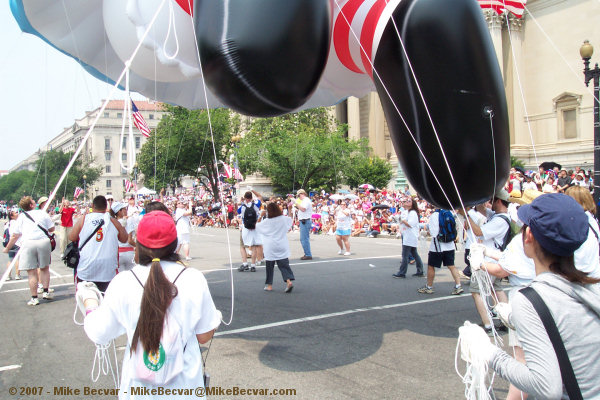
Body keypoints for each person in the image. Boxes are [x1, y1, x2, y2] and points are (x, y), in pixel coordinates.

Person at [462, 194, 600, 399]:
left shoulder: (530, 299)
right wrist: (513, 318)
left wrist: (488, 353)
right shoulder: (588, 288)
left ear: (529, 237)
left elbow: (546, 387)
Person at [81, 211, 222, 398]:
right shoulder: (193, 278)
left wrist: (90, 302)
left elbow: (99, 333)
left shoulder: (123, 282)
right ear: (175, 245)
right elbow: (204, 335)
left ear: (138, 245)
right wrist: (216, 317)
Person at [466, 189, 510, 333]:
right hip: (496, 259)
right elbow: (481, 209)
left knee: (476, 291)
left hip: (487, 260)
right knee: (496, 288)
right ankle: (507, 321)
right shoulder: (501, 216)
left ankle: (488, 325)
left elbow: (479, 232)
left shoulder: (498, 220)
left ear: (498, 201)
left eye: (492, 201)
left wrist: (464, 214)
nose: (489, 204)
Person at [69, 196, 128, 292]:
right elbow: (124, 239)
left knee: (87, 300)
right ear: (106, 207)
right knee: (106, 300)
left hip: (87, 267)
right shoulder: (113, 221)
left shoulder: (84, 219)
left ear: (92, 206)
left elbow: (71, 237)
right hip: (107, 269)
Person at [3, 196, 55, 305]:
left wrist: (8, 247)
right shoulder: (42, 213)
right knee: (44, 268)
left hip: (28, 243)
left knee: (31, 272)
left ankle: (34, 297)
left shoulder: (21, 217)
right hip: (43, 242)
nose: (35, 202)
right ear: (31, 205)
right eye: (33, 201)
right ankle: (46, 292)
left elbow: (15, 235)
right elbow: (51, 229)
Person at [417, 208, 463, 295]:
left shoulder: (435, 215)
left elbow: (434, 233)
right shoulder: (448, 213)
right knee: (451, 266)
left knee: (431, 266)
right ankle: (458, 286)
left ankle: (429, 287)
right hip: (450, 245)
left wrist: (426, 233)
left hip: (437, 246)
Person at [255, 201, 295, 292]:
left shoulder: (267, 221)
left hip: (270, 245)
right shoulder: (283, 219)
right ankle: (288, 281)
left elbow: (257, 226)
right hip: (282, 244)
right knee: (284, 265)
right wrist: (289, 209)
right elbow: (290, 219)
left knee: (270, 266)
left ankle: (269, 285)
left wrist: (261, 216)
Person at [393, 198, 424, 278]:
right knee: (414, 253)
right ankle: (420, 270)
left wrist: (403, 220)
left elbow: (410, 224)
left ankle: (402, 272)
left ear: (412, 204)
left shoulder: (413, 213)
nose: (406, 202)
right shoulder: (408, 212)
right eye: (406, 201)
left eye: (409, 201)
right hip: (408, 235)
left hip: (410, 236)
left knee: (405, 255)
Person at [237, 190, 263, 271]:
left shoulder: (242, 206)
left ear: (245, 198)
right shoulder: (256, 205)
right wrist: (253, 190)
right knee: (254, 246)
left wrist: (241, 201)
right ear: (251, 198)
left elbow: (237, 212)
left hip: (246, 228)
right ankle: (253, 265)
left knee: (242, 246)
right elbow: (260, 197)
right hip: (254, 227)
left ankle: (245, 263)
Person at [111, 202, 136, 272]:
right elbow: (130, 240)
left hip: (118, 253)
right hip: (129, 253)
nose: (126, 210)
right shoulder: (129, 221)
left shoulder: (113, 223)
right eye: (124, 209)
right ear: (119, 211)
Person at [3, 210, 22, 280]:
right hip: (16, 242)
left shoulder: (7, 223)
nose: (17, 213)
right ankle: (17, 275)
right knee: (17, 259)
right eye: (16, 213)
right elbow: (17, 233)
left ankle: (8, 275)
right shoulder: (16, 223)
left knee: (10, 259)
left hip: (9, 243)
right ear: (12, 216)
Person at [295, 189, 313, 260]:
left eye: (299, 195)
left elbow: (303, 209)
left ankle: (308, 254)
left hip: (305, 221)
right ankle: (307, 253)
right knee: (304, 238)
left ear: (302, 194)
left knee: (304, 239)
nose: (298, 197)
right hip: (304, 220)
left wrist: (296, 203)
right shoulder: (305, 201)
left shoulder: (306, 200)